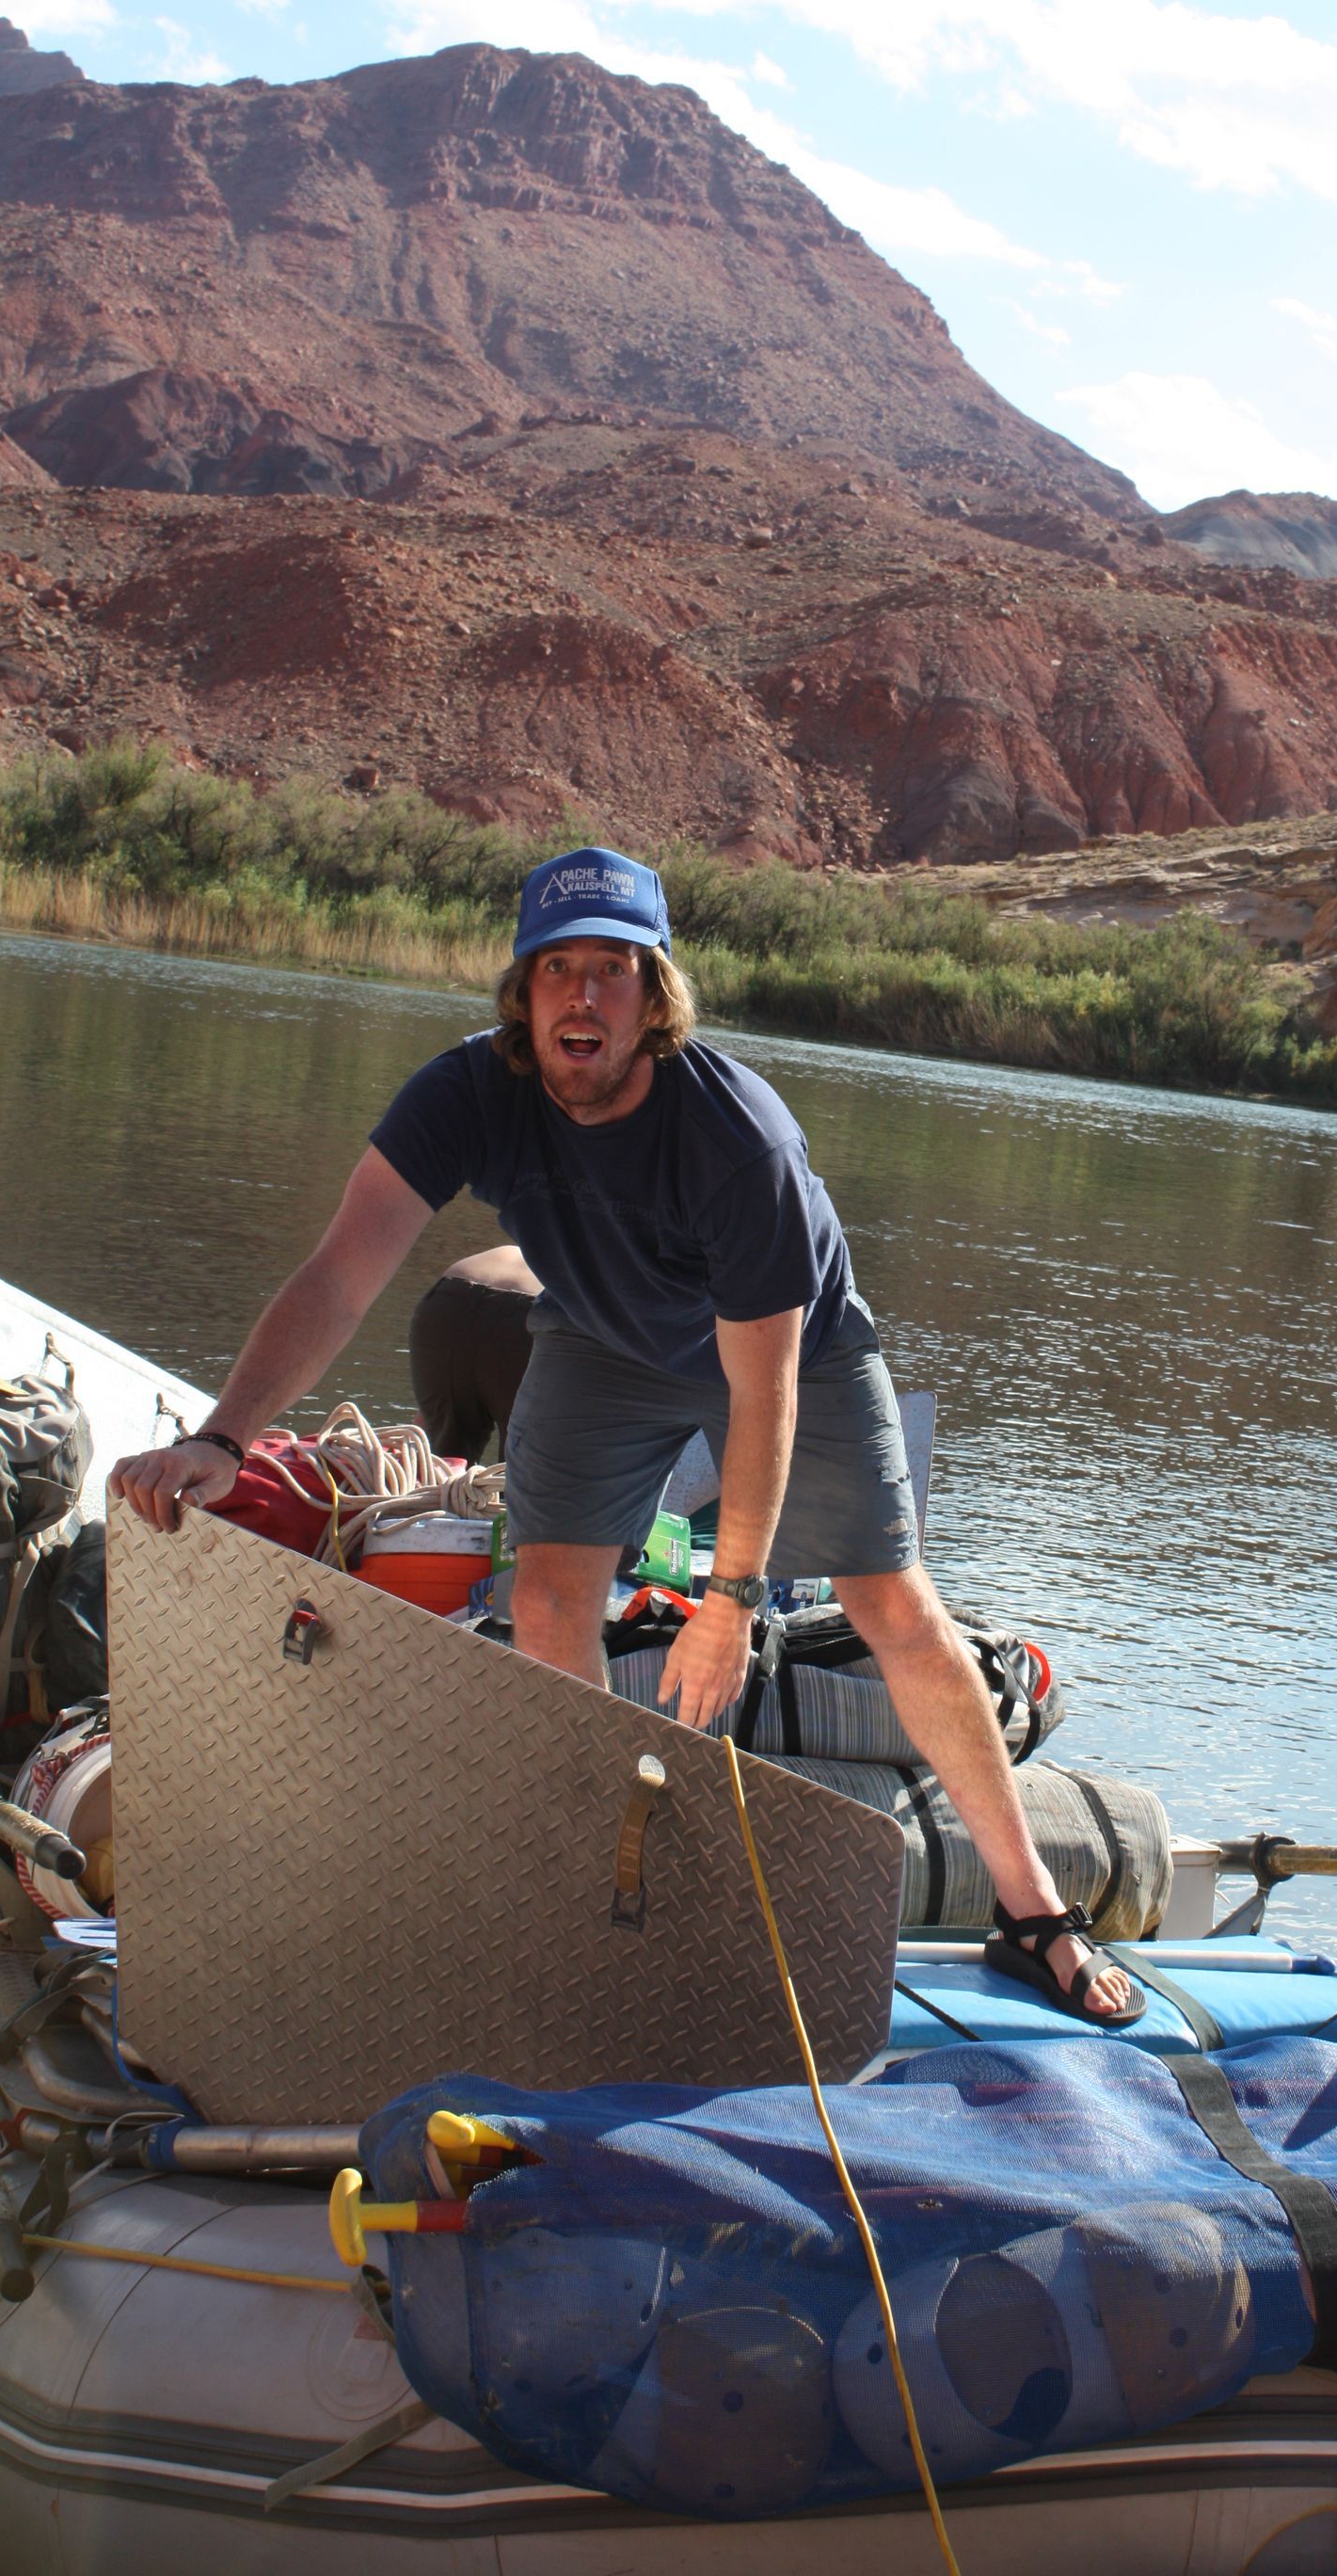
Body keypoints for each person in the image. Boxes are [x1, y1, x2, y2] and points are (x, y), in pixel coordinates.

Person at [110, 846, 1138, 2024]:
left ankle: (1032, 1911)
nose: (583, 998)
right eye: (559, 970)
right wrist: (225, 1441)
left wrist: (732, 1603)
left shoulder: (735, 1139)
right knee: (548, 1600)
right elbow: (344, 1269)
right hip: (600, 1335)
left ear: (655, 999)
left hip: (783, 1353)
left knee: (890, 1604)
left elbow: (763, 1397)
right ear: (523, 993)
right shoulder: (466, 1093)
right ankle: (598, 1878)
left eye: (613, 970)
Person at [407, 1245, 539, 1462]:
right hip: (533, 1311)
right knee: (525, 1474)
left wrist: (436, 1417)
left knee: (438, 1465)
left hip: (450, 1298)